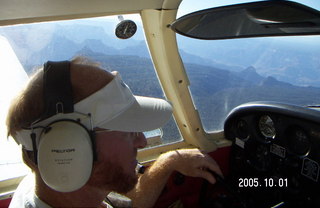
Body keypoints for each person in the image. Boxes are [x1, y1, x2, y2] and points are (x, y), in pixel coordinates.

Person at [6, 56, 222, 208]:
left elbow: (128, 203)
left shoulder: (47, 183)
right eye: (128, 131)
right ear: (67, 146)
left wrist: (169, 161)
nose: (142, 141)